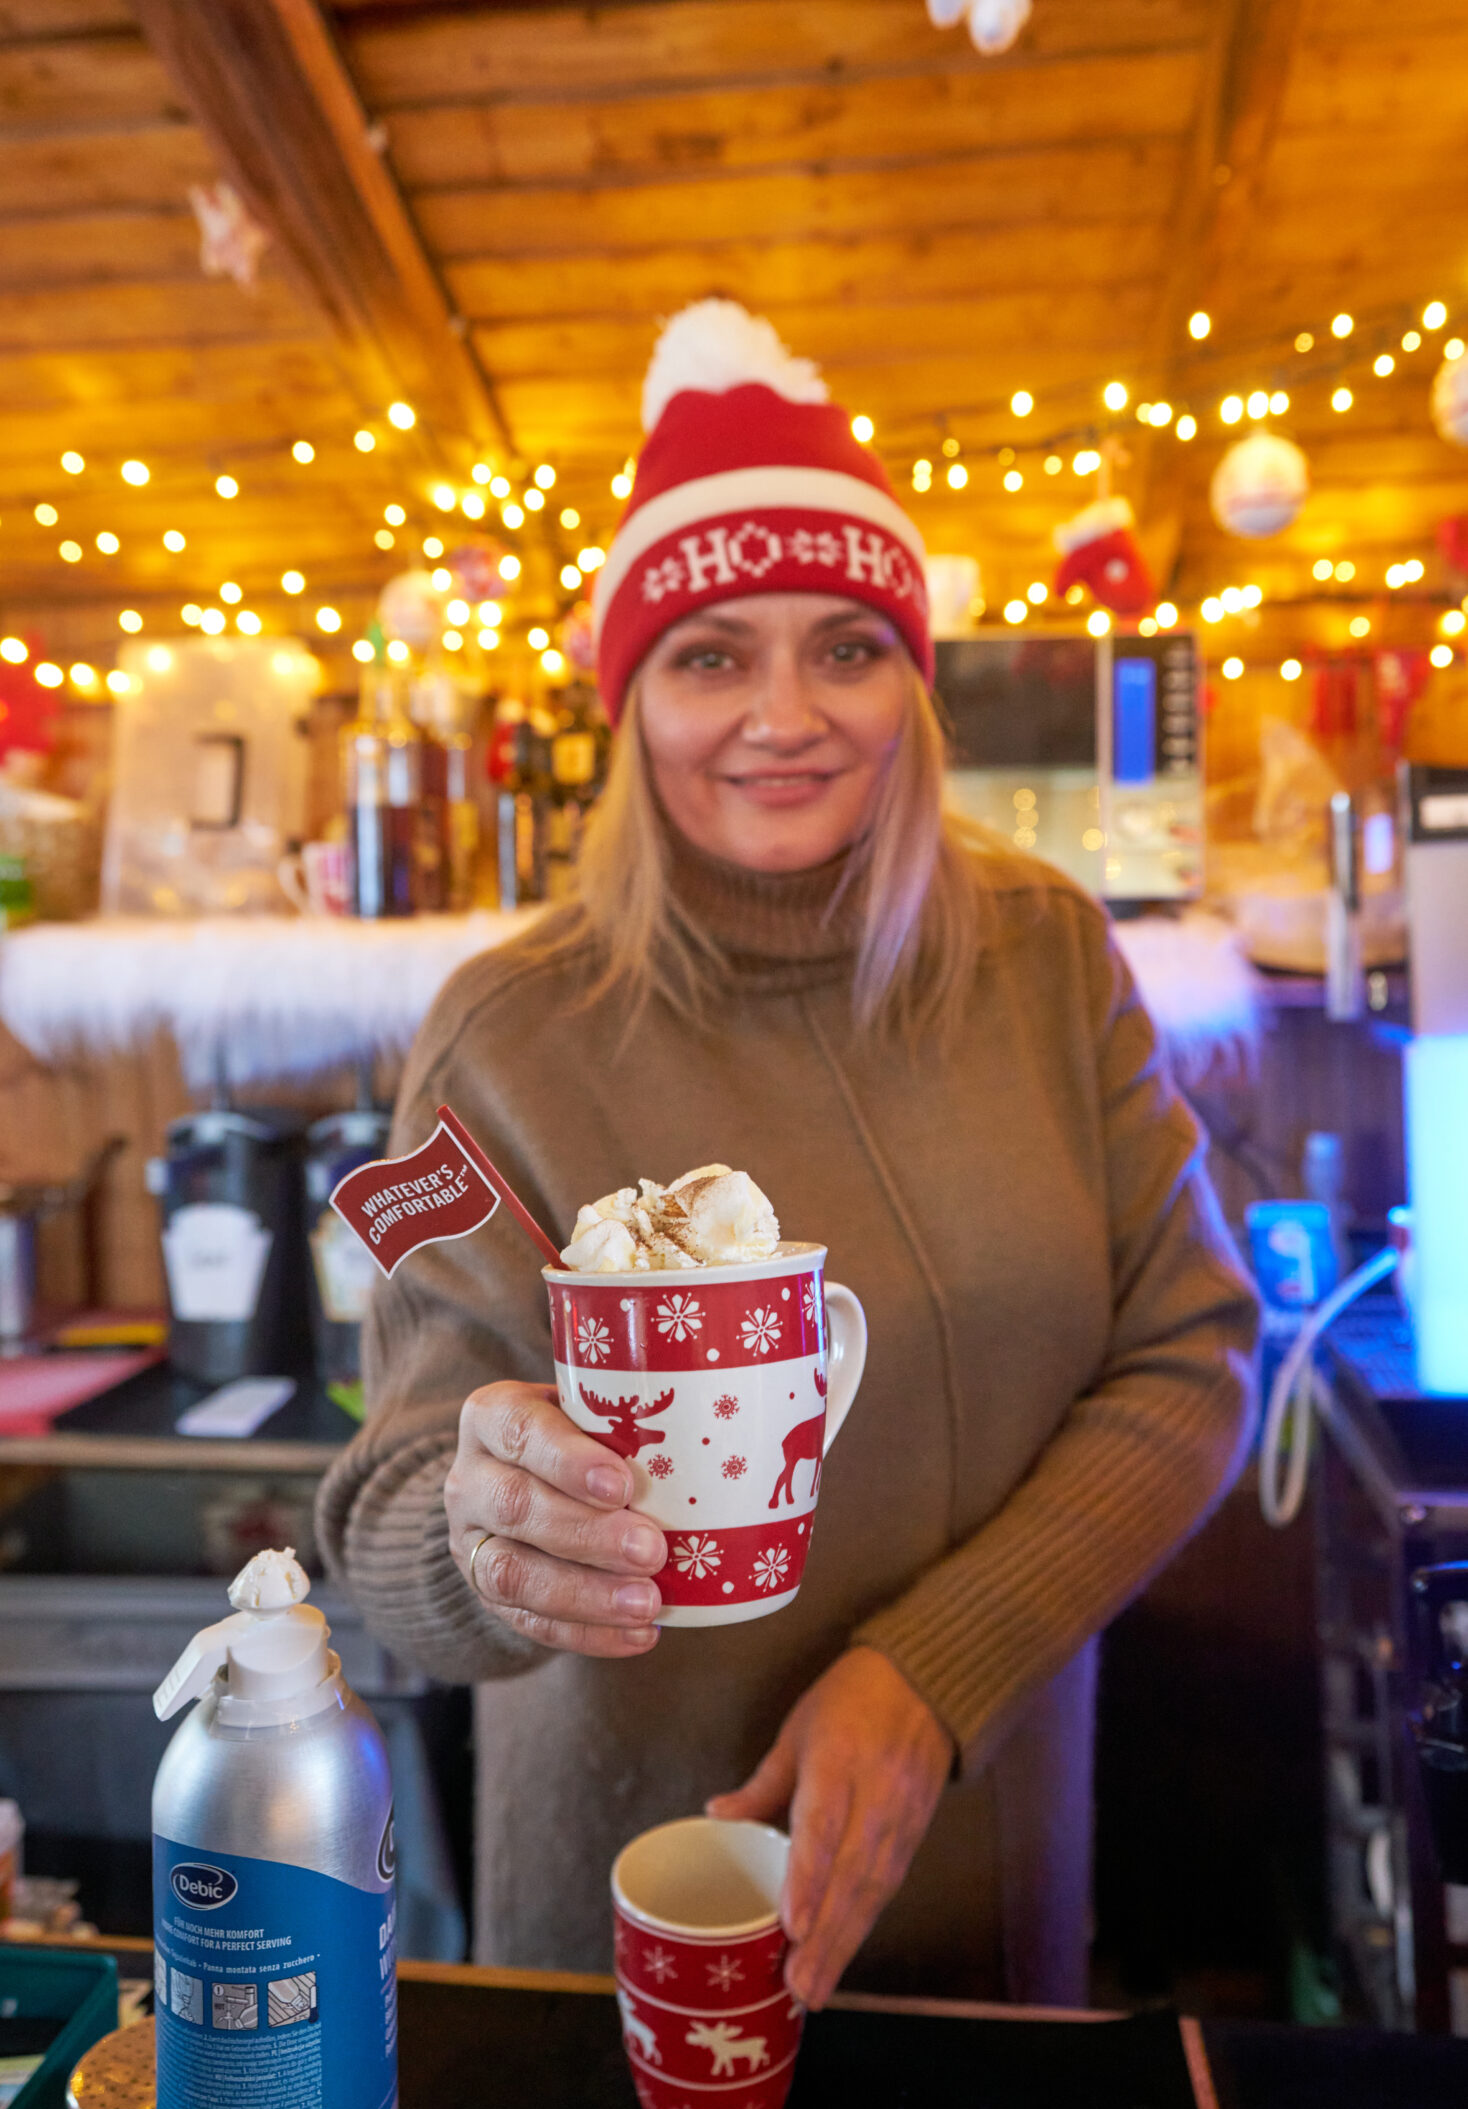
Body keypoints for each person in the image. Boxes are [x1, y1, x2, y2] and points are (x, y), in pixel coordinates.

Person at [319, 299, 1259, 2010]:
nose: (783, 714)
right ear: (629, 698)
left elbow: (1193, 1354)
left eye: (845, 646)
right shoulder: (503, 1033)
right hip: (623, 1909)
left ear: (914, 673)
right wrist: (481, 1532)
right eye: (709, 654)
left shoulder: (1047, 956)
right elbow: (381, 1525)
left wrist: (928, 1678)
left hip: (987, 1875)